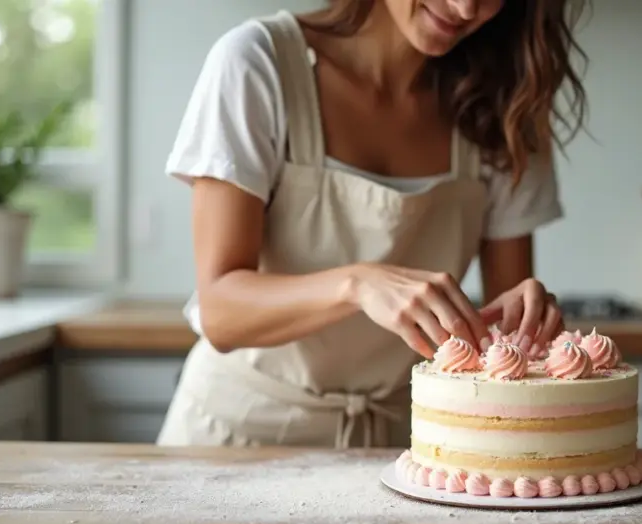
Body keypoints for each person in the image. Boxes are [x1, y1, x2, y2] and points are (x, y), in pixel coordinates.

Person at [157, 0, 589, 448]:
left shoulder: (508, 102)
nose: (465, 7)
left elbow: (505, 340)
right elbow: (222, 314)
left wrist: (525, 318)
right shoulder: (257, 62)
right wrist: (357, 284)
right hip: (234, 440)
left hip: (403, 448)